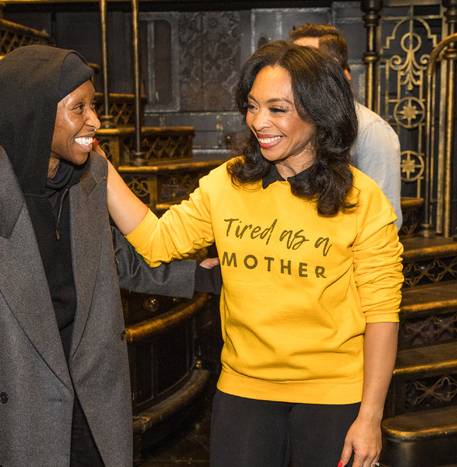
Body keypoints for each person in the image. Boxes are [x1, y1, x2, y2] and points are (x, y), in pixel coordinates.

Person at [0, 45, 207, 467]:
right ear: (35, 114)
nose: (95, 121)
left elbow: (114, 258)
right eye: (78, 107)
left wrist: (202, 276)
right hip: (23, 413)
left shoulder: (90, 178)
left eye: (93, 105)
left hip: (95, 403)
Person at [104, 41, 403, 467]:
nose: (259, 121)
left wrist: (370, 416)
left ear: (319, 114)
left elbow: (382, 313)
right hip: (244, 391)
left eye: (277, 109)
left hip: (334, 395)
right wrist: (102, 166)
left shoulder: (362, 197)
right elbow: (157, 241)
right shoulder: (227, 184)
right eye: (252, 106)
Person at [289, 23, 403, 228]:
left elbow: (385, 219)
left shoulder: (371, 129)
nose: (293, 69)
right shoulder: (300, 123)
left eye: (304, 61)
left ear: (332, 67)